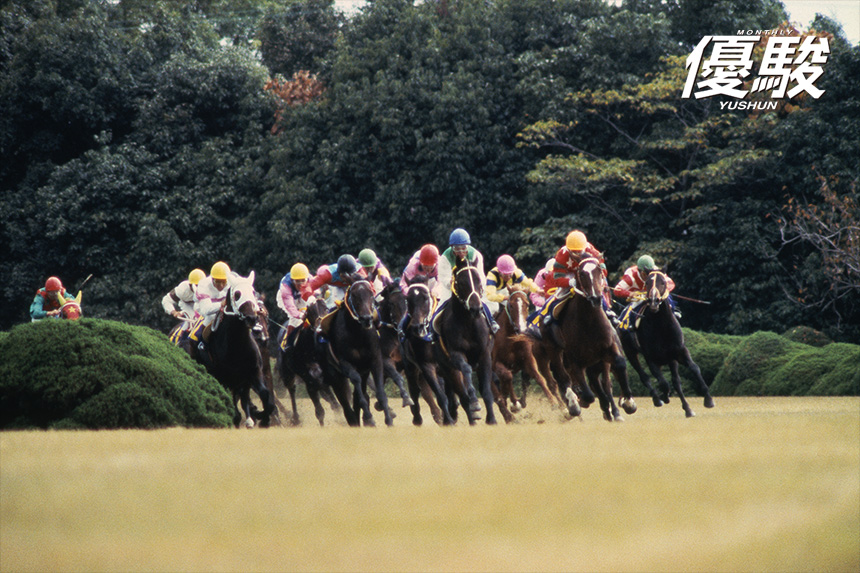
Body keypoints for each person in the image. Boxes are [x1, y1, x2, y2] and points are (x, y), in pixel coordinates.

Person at [539, 230, 619, 326]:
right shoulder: (562, 255)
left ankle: (608, 311)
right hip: (570, 274)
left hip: (588, 273)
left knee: (597, 289)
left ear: (584, 248)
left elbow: (602, 268)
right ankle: (551, 313)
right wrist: (569, 282)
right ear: (568, 249)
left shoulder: (592, 251)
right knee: (560, 294)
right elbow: (556, 278)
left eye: (579, 251)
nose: (577, 254)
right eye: (573, 251)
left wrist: (599, 278)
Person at [435, 228, 497, 333]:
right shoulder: (445, 258)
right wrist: (450, 282)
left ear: (467, 246)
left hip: (472, 287)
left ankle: (492, 322)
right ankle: (433, 332)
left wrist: (477, 289)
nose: (461, 252)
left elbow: (480, 276)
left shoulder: (475, 255)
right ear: (452, 248)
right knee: (439, 308)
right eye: (457, 249)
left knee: (486, 304)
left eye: (463, 248)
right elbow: (443, 277)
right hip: (452, 288)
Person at [613, 254, 680, 328]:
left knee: (667, 296)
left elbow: (671, 284)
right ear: (641, 272)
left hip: (654, 296)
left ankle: (673, 312)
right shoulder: (631, 276)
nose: (649, 275)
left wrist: (659, 293)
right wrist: (630, 293)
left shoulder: (656, 271)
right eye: (646, 273)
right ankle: (626, 324)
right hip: (638, 298)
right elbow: (617, 290)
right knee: (633, 306)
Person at [194, 261, 232, 352]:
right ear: (212, 279)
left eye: (224, 282)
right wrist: (221, 304)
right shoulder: (203, 285)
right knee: (210, 317)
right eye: (217, 282)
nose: (221, 285)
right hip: (204, 306)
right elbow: (205, 310)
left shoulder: (232, 281)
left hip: (224, 305)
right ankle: (203, 343)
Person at [277, 262, 315, 345]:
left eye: (303, 281)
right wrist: (300, 315)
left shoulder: (311, 280)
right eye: (297, 281)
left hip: (300, 296)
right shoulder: (285, 287)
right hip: (286, 299)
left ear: (307, 278)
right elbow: (290, 307)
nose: (301, 284)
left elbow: (314, 295)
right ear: (292, 280)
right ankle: (288, 344)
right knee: (295, 319)